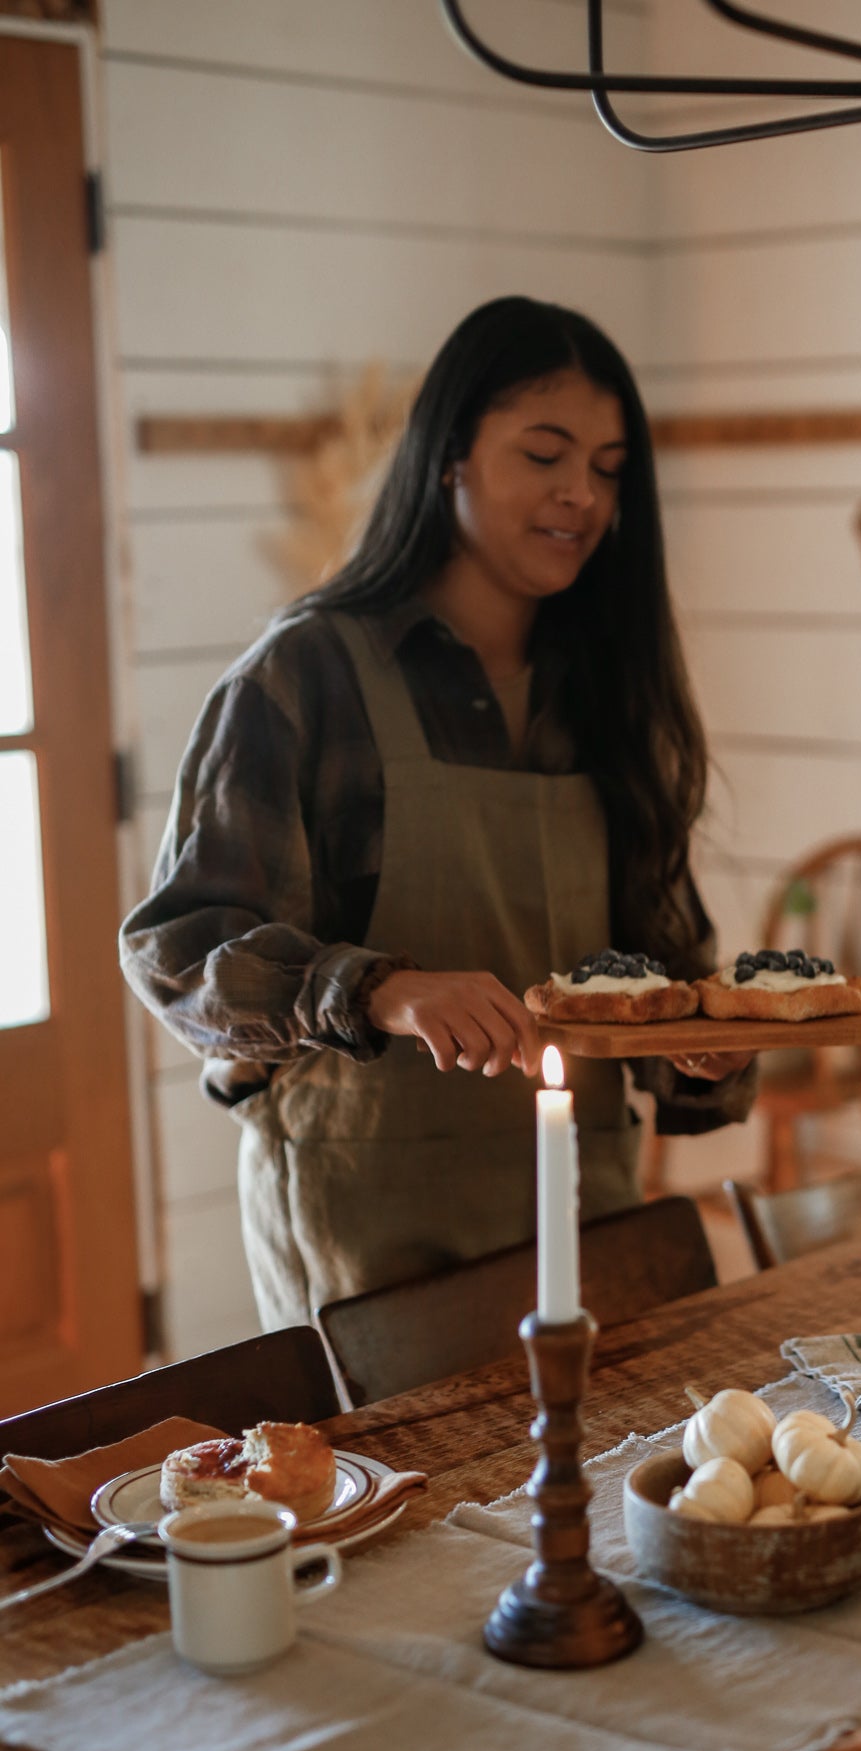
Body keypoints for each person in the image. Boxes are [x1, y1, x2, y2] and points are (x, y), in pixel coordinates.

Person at [121, 296, 755, 1342]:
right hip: (366, 1255)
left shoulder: (608, 694)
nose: (580, 494)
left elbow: (666, 980)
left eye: (606, 467)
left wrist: (708, 1048)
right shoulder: (304, 675)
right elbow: (181, 953)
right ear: (449, 457)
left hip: (585, 1229)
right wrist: (380, 990)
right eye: (544, 453)